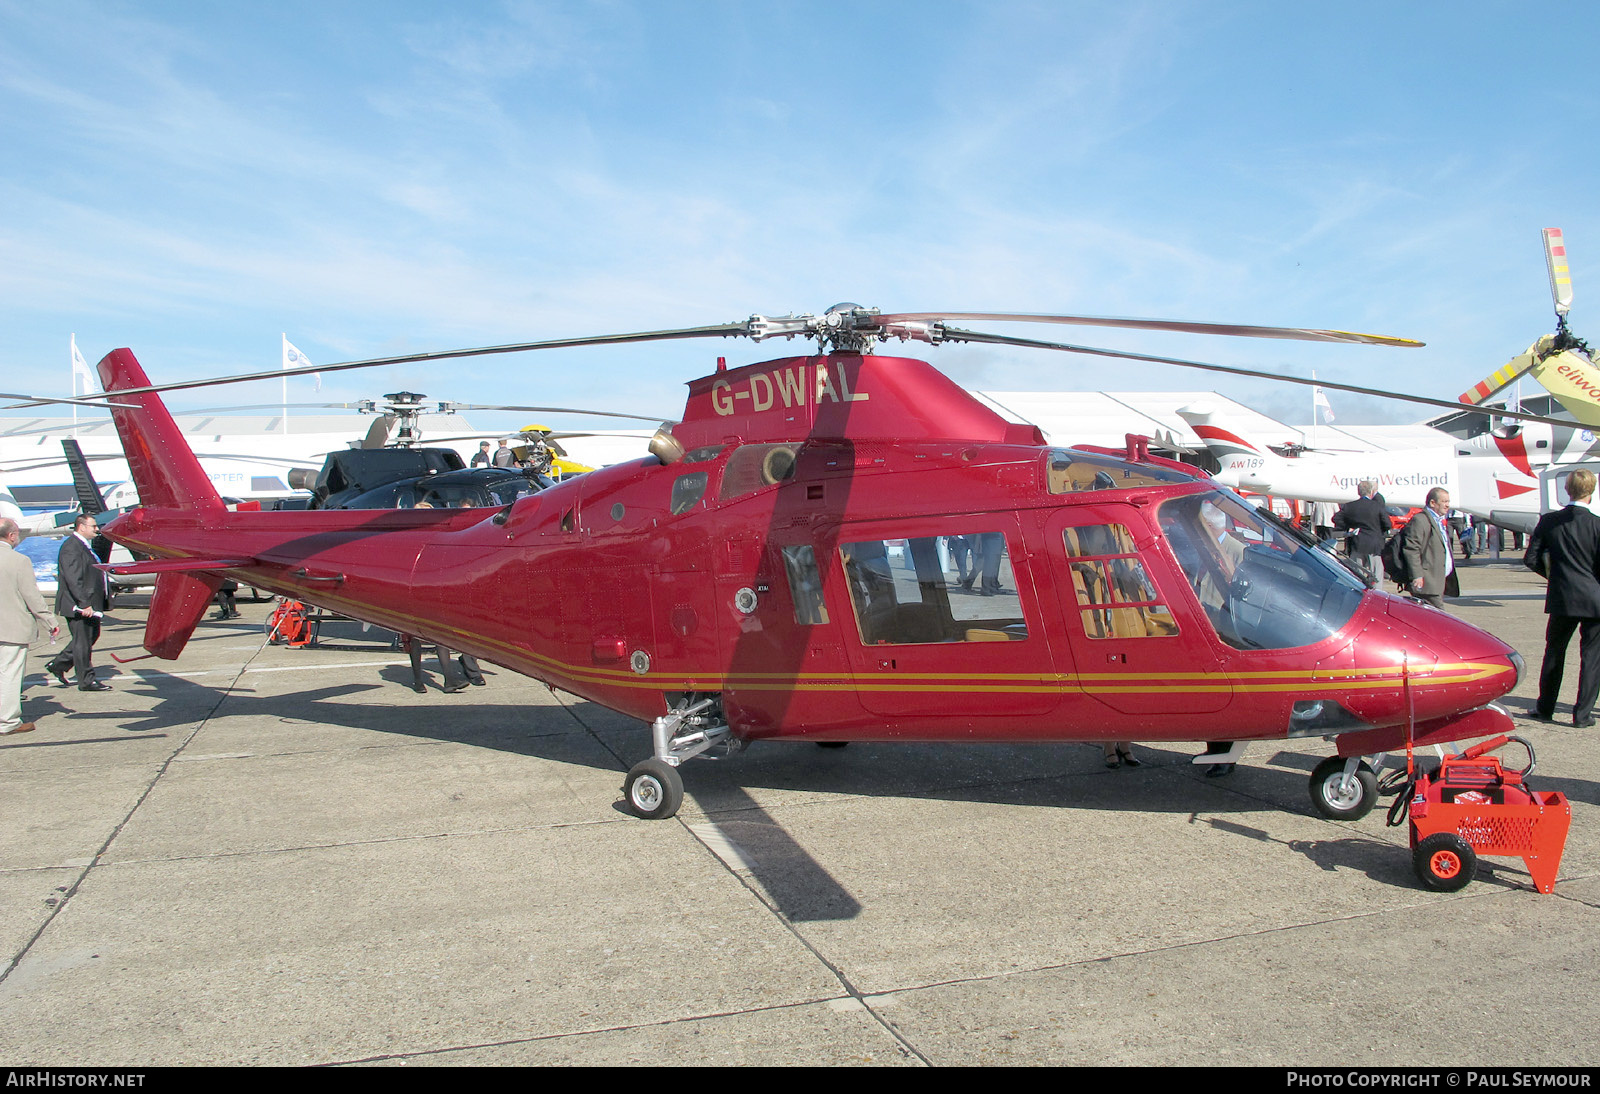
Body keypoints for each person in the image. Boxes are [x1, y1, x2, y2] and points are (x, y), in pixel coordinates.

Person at [1525, 469, 1600, 727]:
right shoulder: (1597, 524)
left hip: (1563, 595)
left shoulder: (1549, 521)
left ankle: (1545, 708)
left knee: (1555, 652)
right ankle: (1582, 714)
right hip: (1594, 597)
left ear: (1566, 490)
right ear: (1591, 491)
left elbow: (1531, 558)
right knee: (1592, 657)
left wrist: (1554, 577)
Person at [0, 519, 58, 735]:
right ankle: (7, 722)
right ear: (12, 536)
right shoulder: (19, 560)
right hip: (11, 627)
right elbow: (31, 596)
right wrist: (49, 621)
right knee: (9, 675)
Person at [45, 515, 111, 691]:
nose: (96, 529)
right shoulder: (71, 548)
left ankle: (59, 664)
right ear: (81, 527)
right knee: (82, 642)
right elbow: (74, 578)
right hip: (77, 604)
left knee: (90, 637)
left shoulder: (83, 546)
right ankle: (86, 680)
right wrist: (84, 603)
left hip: (88, 602)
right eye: (93, 526)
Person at [1401, 487, 1456, 609]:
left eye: (1448, 502)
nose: (1447, 505)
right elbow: (1411, 549)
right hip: (1427, 583)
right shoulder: (1421, 520)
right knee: (1440, 619)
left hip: (1438, 581)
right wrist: (1417, 575)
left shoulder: (1438, 521)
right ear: (1432, 503)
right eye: (1444, 502)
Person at [1333, 481, 1389, 584]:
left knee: (1357, 576)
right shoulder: (1377, 506)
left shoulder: (1350, 506)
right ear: (1371, 492)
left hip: (1357, 543)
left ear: (1358, 492)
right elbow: (1387, 524)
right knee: (1376, 576)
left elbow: (1336, 518)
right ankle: (1376, 597)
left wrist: (1348, 527)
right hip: (1374, 545)